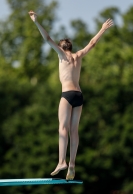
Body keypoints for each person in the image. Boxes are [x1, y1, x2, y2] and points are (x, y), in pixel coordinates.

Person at [29, 10, 113, 180]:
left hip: (67, 94)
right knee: (74, 130)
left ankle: (62, 161)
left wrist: (36, 21)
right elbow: (92, 43)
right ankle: (72, 163)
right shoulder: (78, 55)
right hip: (79, 95)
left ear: (61, 48)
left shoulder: (61, 56)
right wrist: (103, 28)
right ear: (71, 47)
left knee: (62, 128)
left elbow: (47, 39)